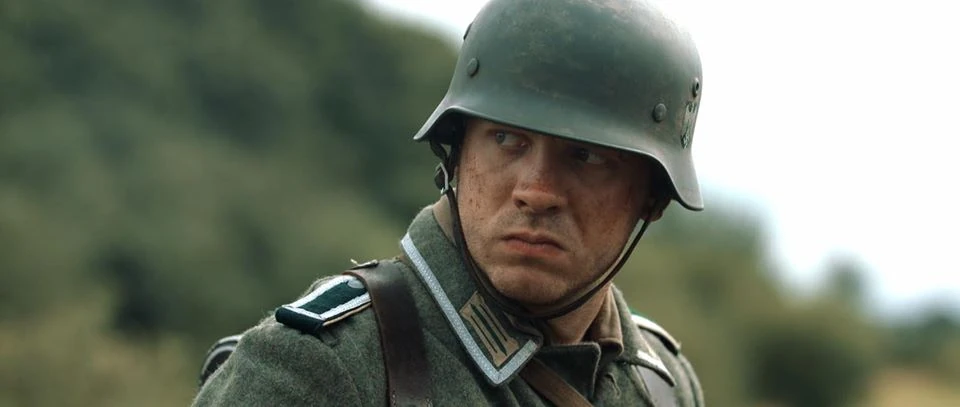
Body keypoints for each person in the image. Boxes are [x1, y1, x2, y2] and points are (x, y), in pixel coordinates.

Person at [193, 0, 706, 405]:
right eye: (507, 139)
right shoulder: (323, 368)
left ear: (653, 198)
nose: (536, 191)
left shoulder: (663, 387)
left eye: (587, 156)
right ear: (456, 154)